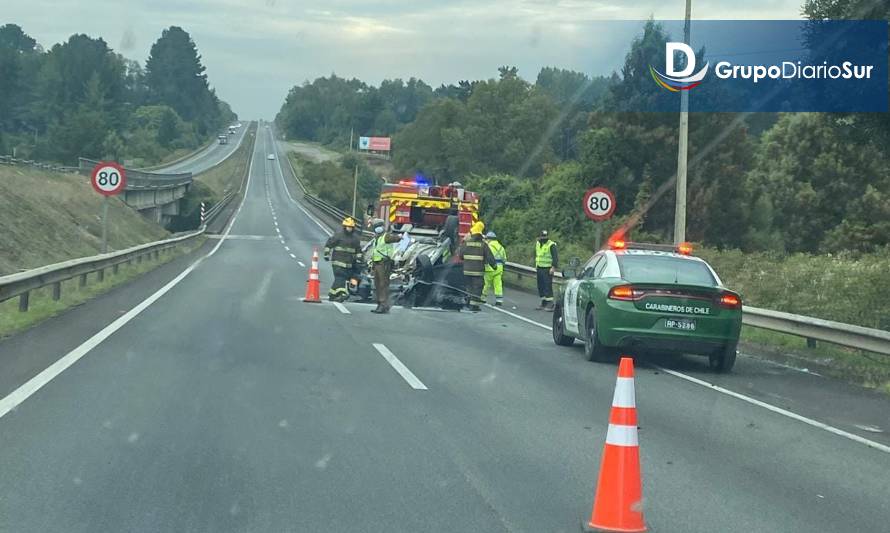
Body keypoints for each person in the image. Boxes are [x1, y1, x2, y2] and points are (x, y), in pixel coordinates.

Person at [323, 217, 362, 302]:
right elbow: (329, 245)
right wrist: (326, 254)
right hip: (337, 262)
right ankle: (342, 294)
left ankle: (332, 294)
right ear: (344, 227)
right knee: (340, 278)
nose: (350, 229)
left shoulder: (355, 239)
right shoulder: (338, 235)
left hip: (349, 264)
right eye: (348, 227)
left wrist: (359, 260)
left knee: (339, 279)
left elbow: (358, 251)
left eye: (351, 227)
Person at [460, 221, 496, 312]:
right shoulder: (483, 245)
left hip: (467, 270)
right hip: (478, 271)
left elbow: (461, 256)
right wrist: (494, 266)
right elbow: (490, 257)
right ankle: (474, 306)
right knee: (477, 287)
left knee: (469, 287)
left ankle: (467, 303)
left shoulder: (466, 243)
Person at [369, 219, 401, 314]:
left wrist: (400, 236)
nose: (378, 228)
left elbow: (395, 238)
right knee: (377, 284)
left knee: (383, 284)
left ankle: (383, 305)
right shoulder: (377, 237)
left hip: (384, 263)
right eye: (376, 226)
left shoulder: (385, 236)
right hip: (377, 263)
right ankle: (380, 304)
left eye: (379, 226)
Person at [534, 230, 559, 311]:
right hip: (539, 267)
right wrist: (536, 266)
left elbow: (555, 257)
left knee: (547, 286)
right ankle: (543, 302)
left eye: (545, 236)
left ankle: (550, 304)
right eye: (543, 236)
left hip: (547, 269)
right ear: (540, 237)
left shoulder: (551, 245)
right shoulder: (538, 243)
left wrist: (553, 267)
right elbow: (537, 255)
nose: (544, 238)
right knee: (540, 286)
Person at [482, 231, 507, 306]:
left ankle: (483, 298)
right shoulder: (501, 247)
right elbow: (504, 259)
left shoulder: (487, 246)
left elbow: (485, 257)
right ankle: (499, 300)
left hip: (489, 268)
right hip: (499, 268)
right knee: (498, 284)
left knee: (486, 284)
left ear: (489, 239)